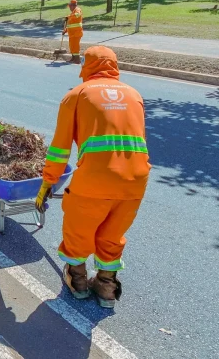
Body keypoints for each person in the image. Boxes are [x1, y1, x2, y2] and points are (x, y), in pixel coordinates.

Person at [35, 46, 151, 309]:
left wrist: (47, 182)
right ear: (114, 66)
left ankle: (78, 281)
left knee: (78, 230)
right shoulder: (134, 95)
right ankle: (107, 287)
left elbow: (60, 148)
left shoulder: (76, 95)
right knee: (112, 234)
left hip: (95, 179)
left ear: (86, 67)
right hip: (136, 180)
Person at [63, 0, 83, 64]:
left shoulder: (77, 10)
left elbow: (77, 15)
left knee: (75, 46)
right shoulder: (72, 13)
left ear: (73, 5)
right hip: (72, 33)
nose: (69, 8)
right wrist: (65, 30)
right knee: (72, 46)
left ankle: (77, 60)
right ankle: (73, 58)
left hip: (76, 33)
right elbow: (70, 25)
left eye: (70, 6)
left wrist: (68, 17)